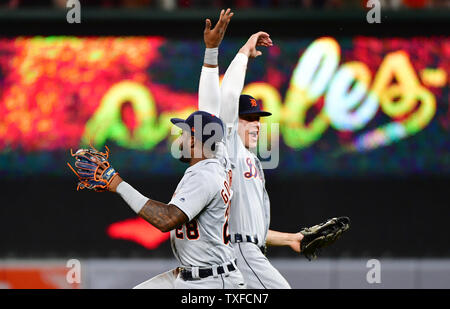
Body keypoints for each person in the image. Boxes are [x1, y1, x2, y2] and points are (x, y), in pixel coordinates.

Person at [69, 109, 246, 289]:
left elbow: (167, 219)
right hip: (198, 272)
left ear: (193, 140)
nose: (178, 140)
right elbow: (217, 145)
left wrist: (118, 184)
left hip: (211, 281)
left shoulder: (204, 176)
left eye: (182, 134)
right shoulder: (213, 166)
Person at [198, 18, 305, 289]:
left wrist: (290, 238)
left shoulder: (251, 162)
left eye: (258, 119)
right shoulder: (228, 148)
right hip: (238, 252)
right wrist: (243, 52)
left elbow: (252, 229)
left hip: (245, 249)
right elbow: (228, 95)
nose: (256, 124)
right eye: (249, 119)